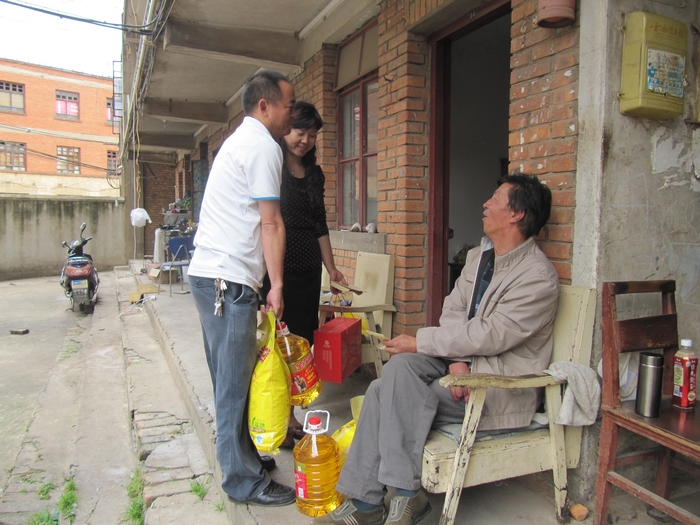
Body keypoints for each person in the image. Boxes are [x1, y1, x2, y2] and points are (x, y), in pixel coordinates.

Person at [314, 174, 559, 525]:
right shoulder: (479, 257)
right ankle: (403, 497)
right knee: (399, 370)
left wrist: (421, 342)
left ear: (517, 214)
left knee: (384, 391)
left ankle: (374, 502)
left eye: (495, 198)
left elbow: (492, 335)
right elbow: (453, 308)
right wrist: (457, 361)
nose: (486, 203)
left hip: (496, 387)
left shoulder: (537, 277)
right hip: (461, 367)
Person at [187, 69, 297, 507]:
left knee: (233, 379)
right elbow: (271, 223)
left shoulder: (239, 141)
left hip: (212, 276)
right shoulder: (262, 146)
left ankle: (245, 459)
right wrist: (277, 285)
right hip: (226, 282)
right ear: (265, 106)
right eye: (289, 104)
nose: (292, 113)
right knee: (233, 385)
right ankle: (241, 481)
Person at [261, 101, 347, 446]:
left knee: (301, 346)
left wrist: (331, 267)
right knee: (277, 345)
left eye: (312, 135)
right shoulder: (272, 165)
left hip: (308, 272)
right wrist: (273, 280)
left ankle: (291, 416)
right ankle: (276, 418)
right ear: (286, 130)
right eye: (300, 132)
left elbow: (319, 224)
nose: (305, 140)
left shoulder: (315, 173)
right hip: (277, 271)